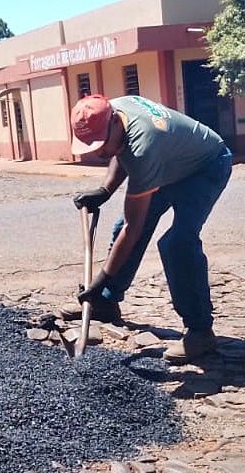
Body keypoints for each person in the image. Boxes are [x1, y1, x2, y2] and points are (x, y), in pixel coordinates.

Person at [69, 93, 232, 364]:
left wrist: (102, 278)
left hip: (206, 166)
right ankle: (107, 303)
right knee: (125, 225)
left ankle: (200, 332)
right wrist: (105, 190)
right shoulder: (115, 112)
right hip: (169, 162)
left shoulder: (145, 146)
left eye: (100, 143)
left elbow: (134, 226)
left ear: (115, 124)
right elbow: (121, 152)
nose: (98, 151)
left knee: (178, 243)